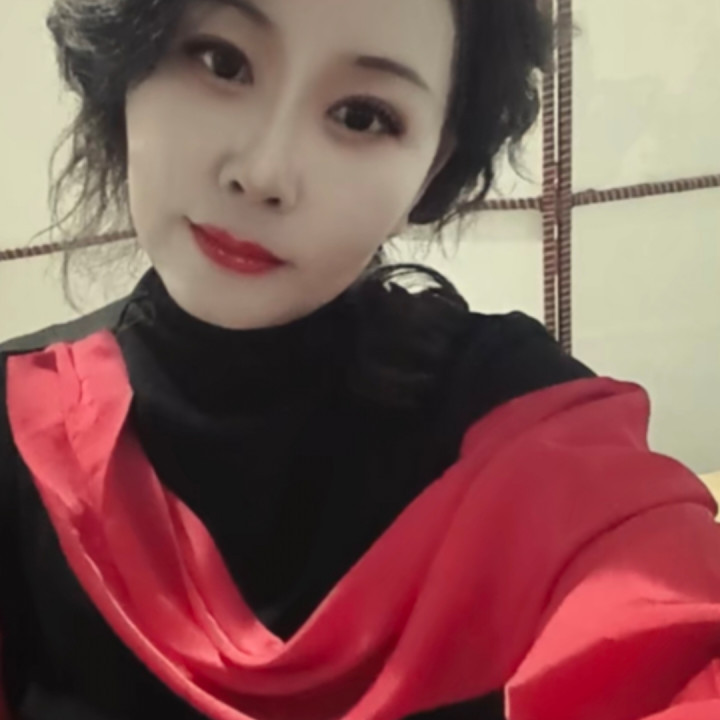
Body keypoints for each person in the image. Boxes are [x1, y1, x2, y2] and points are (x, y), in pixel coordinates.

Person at [1, 0, 719, 718]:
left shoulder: (523, 428)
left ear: (433, 167)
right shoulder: (18, 428)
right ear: (129, 61)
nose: (264, 173)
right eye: (223, 62)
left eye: (362, 116)